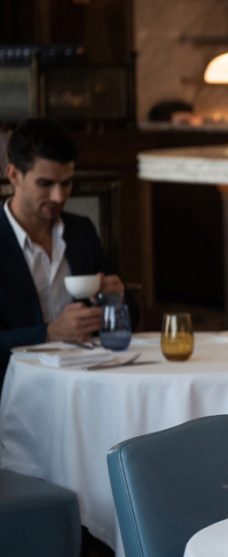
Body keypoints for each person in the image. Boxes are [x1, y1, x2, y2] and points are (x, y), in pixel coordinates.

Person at [0, 118, 124, 389]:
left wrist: (116, 301)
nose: (58, 196)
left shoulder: (81, 231)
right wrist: (47, 333)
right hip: (16, 388)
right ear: (14, 175)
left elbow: (127, 318)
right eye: (45, 184)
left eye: (66, 184)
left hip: (89, 380)